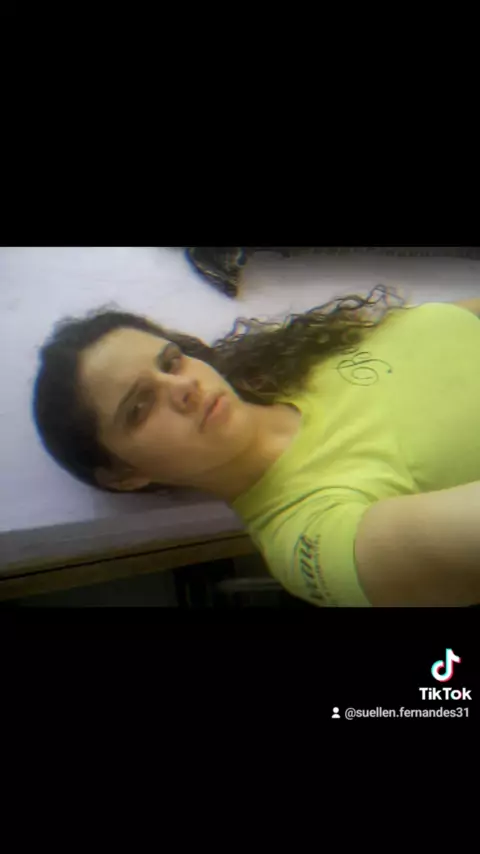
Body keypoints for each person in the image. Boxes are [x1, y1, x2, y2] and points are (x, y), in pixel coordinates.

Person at [32, 284, 480, 608]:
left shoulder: (303, 352)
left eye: (171, 362)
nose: (183, 386)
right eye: (140, 406)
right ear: (126, 475)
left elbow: (451, 320)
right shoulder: (311, 534)